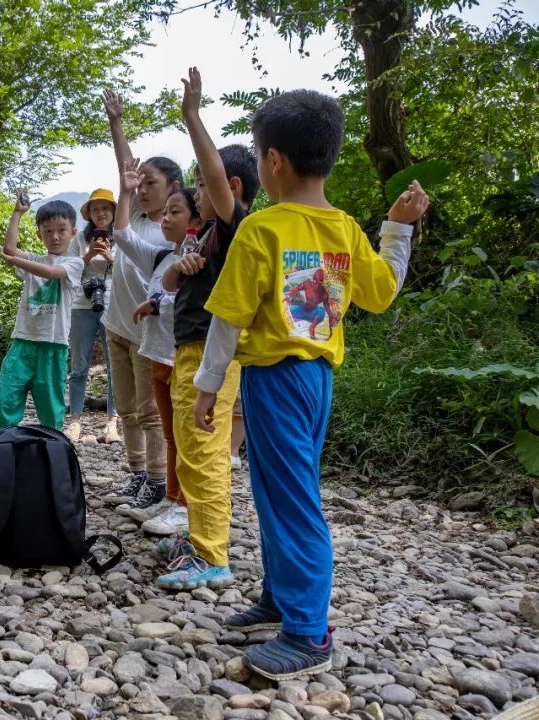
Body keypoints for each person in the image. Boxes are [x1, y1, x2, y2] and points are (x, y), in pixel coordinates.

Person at [192, 88, 430, 679]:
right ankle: (280, 598)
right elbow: (382, 293)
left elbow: (229, 318)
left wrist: (206, 384)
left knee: (293, 499)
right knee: (279, 489)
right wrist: (396, 230)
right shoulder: (346, 229)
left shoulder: (263, 229)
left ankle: (307, 632)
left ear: (273, 161)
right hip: (318, 377)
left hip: (274, 377)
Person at [149, 69, 259, 578]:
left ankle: (212, 555)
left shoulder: (237, 227)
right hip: (191, 349)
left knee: (205, 453)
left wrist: (193, 116)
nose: (197, 194)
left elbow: (216, 179)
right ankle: (199, 541)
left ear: (230, 187)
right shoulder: (208, 236)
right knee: (192, 454)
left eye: (200, 185)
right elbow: (169, 283)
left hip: (210, 355)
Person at [100, 88, 183, 507]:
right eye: (142, 184)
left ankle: (155, 478)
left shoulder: (171, 233)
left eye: (153, 184)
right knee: (128, 410)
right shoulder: (130, 217)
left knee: (150, 413)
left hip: (146, 335)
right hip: (116, 325)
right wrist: (117, 123)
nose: (143, 189)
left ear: (175, 189)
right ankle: (135, 474)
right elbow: (126, 170)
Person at [110, 159, 202, 530]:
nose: (164, 218)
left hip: (181, 357)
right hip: (156, 354)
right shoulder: (166, 254)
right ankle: (169, 498)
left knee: (182, 434)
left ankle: (183, 503)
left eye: (174, 211)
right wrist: (155, 300)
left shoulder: (199, 257)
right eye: (164, 213)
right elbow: (122, 237)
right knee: (169, 432)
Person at [0, 193, 84, 431]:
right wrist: (17, 214)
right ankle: (3, 444)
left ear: (73, 232)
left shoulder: (75, 263)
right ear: (39, 234)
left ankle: (53, 449)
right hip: (23, 341)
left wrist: (14, 261)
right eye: (48, 231)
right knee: (6, 398)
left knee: (50, 407)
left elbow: (51, 273)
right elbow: (10, 249)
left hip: (53, 345)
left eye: (61, 230)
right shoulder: (35, 259)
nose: (55, 236)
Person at [66, 188, 121, 444]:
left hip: (112, 304)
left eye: (106, 208)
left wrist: (110, 256)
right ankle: (75, 420)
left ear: (113, 211)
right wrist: (89, 255)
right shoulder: (80, 239)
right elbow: (69, 270)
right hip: (81, 303)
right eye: (96, 209)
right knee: (79, 366)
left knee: (115, 367)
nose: (101, 213)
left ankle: (112, 423)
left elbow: (129, 272)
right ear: (90, 214)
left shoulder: (121, 237)